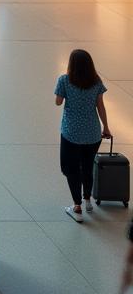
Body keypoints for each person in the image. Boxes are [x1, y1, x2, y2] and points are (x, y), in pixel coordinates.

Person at [55, 48, 110, 223]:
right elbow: (100, 106)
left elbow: (58, 102)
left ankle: (76, 206)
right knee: (87, 167)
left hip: (71, 133)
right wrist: (106, 127)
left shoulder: (64, 80)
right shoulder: (96, 81)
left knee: (70, 169)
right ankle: (88, 201)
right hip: (93, 133)